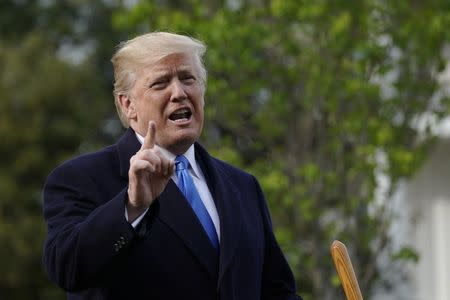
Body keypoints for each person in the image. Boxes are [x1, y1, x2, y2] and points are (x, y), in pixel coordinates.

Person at [43, 32, 301, 300]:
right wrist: (133, 207)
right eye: (160, 83)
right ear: (128, 104)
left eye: (188, 78)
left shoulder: (243, 186)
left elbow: (277, 291)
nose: (179, 92)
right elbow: (68, 269)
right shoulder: (81, 179)